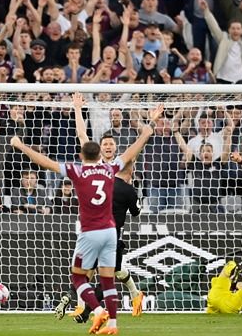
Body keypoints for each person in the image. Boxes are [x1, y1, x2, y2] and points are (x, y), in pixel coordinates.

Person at [10, 109, 159, 335]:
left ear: (81, 156)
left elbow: (47, 160)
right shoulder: (111, 170)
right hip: (111, 232)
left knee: (79, 277)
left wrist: (21, 146)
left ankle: (97, 310)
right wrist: (151, 124)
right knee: (108, 279)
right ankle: (112, 324)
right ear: (100, 153)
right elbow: (137, 145)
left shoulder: (77, 172)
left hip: (90, 232)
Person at [55, 93, 153, 322]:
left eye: (111, 145)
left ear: (115, 150)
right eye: (104, 144)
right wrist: (78, 109)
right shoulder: (97, 166)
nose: (108, 147)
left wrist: (150, 125)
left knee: (100, 273)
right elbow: (82, 135)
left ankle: (92, 311)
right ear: (99, 149)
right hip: (95, 228)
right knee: (101, 273)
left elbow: (136, 148)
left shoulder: (118, 172)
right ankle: (98, 308)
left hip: (109, 230)